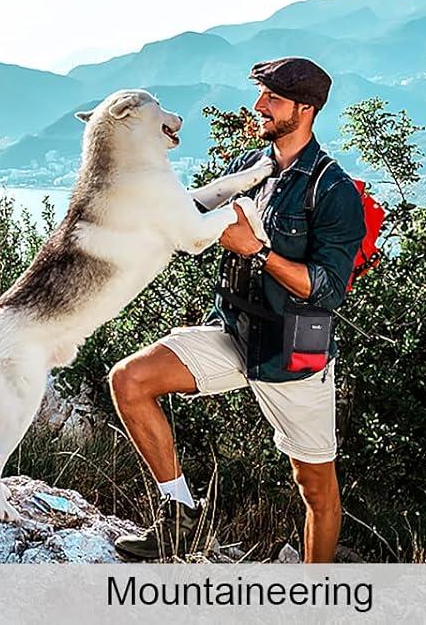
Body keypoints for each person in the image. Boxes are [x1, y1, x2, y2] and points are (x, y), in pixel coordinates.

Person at [108, 57, 365, 561]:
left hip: (293, 352)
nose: (259, 106)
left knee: (315, 486)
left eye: (272, 98)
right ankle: (181, 516)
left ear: (306, 109)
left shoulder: (332, 190)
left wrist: (258, 251)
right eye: (262, 95)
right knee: (129, 381)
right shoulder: (252, 170)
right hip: (233, 330)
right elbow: (186, 219)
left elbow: (328, 290)